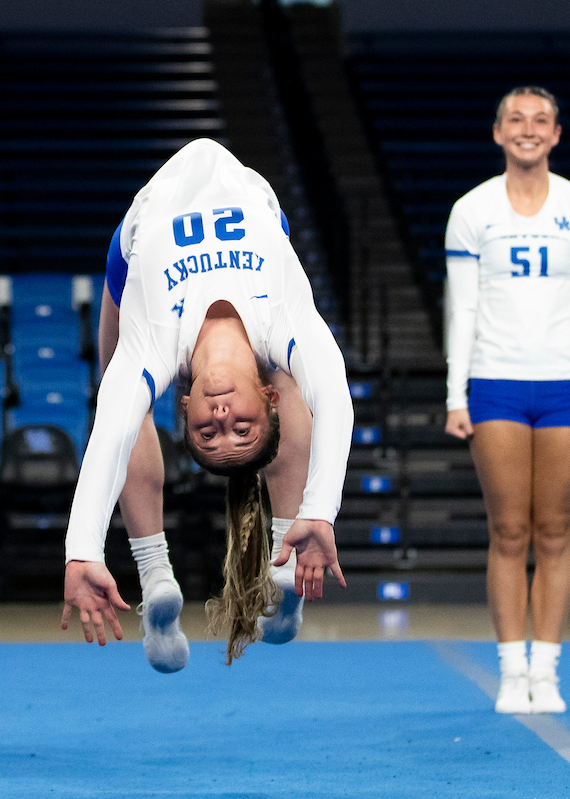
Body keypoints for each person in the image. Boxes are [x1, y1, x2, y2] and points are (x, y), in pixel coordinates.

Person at [61, 139, 353, 668]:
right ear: (263, 402)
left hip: (137, 239)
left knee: (121, 405)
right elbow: (334, 398)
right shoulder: (283, 324)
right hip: (259, 211)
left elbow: (108, 438)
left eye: (208, 434)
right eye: (243, 430)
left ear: (185, 402)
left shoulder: (150, 346)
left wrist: (81, 550)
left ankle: (154, 575)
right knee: (297, 381)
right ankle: (288, 549)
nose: (222, 421)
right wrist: (319, 510)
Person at [443, 86, 570, 714]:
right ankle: (511, 670)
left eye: (540, 120)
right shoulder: (472, 211)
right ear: (497, 133)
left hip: (569, 385)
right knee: (509, 529)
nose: (527, 129)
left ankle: (547, 670)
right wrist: (454, 391)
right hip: (497, 383)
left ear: (556, 134)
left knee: (556, 530)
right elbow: (462, 307)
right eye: (516, 119)